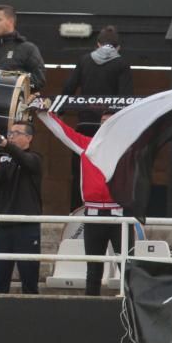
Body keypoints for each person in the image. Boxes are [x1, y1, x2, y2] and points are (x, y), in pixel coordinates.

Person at [35, 104, 128, 296]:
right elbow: (63, 132)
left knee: (128, 266)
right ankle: (90, 308)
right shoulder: (87, 146)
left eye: (110, 122)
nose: (105, 125)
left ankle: (134, 309)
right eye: (102, 122)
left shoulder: (128, 148)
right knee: (93, 269)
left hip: (120, 216)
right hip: (93, 216)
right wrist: (42, 113)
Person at [60, 25, 133, 208]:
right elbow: (126, 97)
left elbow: (68, 88)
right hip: (109, 129)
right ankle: (109, 208)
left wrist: (58, 112)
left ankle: (76, 211)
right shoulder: (122, 64)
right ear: (119, 47)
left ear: (97, 44)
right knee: (109, 170)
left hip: (85, 125)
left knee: (80, 171)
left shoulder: (84, 60)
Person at [0, 120, 43, 294]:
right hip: (5, 223)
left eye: (16, 133)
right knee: (0, 277)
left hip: (27, 225)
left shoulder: (35, 158)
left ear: (29, 138)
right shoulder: (6, 160)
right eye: (10, 133)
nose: (12, 136)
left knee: (29, 276)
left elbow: (24, 159)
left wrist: (2, 141)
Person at [0, 4, 46, 117]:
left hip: (15, 115)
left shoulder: (27, 48)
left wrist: (17, 83)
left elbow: (39, 79)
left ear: (10, 21)